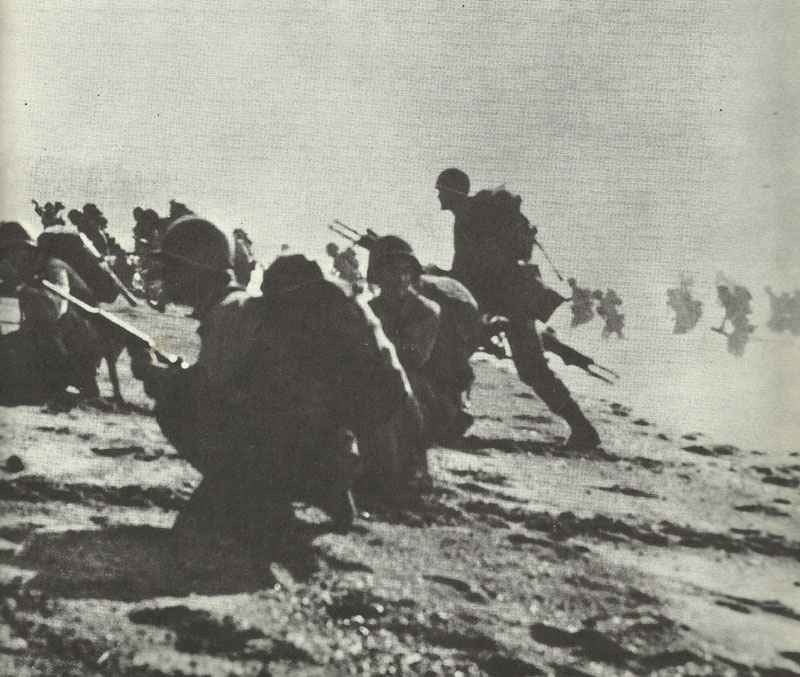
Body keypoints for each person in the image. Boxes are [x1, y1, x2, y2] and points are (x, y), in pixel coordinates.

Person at [128, 216, 410, 546]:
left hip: (287, 456)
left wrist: (153, 375)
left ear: (197, 270)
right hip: (332, 453)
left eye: (174, 268)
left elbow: (207, 395)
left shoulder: (228, 312)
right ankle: (314, 489)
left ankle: (254, 499)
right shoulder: (248, 310)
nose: (168, 278)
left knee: (175, 404)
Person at [435, 168, 600, 449]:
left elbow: (477, 269)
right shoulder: (472, 216)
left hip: (505, 303)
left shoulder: (468, 219)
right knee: (516, 366)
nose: (438, 195)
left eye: (441, 190)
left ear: (452, 192)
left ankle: (583, 430)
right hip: (505, 301)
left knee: (529, 368)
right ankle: (449, 419)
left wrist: (441, 276)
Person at [0, 221, 108, 402]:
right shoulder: (32, 270)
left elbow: (54, 311)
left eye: (7, 254)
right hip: (55, 346)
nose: (6, 260)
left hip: (73, 352)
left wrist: (19, 287)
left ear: (24, 249)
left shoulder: (53, 268)